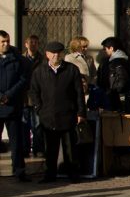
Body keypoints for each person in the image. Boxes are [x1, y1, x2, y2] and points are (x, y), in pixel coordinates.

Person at [28, 41, 86, 183]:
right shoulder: (39, 71)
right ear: (47, 54)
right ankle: (50, 174)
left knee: (70, 148)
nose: (55, 55)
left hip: (68, 114)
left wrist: (81, 113)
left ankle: (73, 174)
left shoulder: (71, 70)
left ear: (62, 54)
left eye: (58, 53)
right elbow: (34, 92)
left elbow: (79, 93)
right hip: (48, 116)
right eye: (52, 53)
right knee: (50, 149)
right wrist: (39, 109)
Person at [0, 31, 30, 182]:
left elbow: (24, 79)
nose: (6, 44)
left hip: (13, 105)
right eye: (2, 42)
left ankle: (19, 171)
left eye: (7, 41)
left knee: (16, 142)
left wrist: (8, 95)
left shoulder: (18, 58)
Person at [97, 36, 130, 110]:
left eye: (105, 49)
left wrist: (113, 92)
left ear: (111, 48)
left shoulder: (118, 62)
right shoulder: (123, 60)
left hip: (117, 98)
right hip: (115, 95)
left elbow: (122, 79)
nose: (104, 51)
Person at [21, 35, 44, 157]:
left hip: (37, 96)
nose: (33, 44)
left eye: (35, 42)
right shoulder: (21, 59)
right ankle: (24, 149)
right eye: (31, 42)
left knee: (38, 124)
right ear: (26, 44)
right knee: (24, 124)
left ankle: (38, 148)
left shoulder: (43, 59)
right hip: (24, 97)